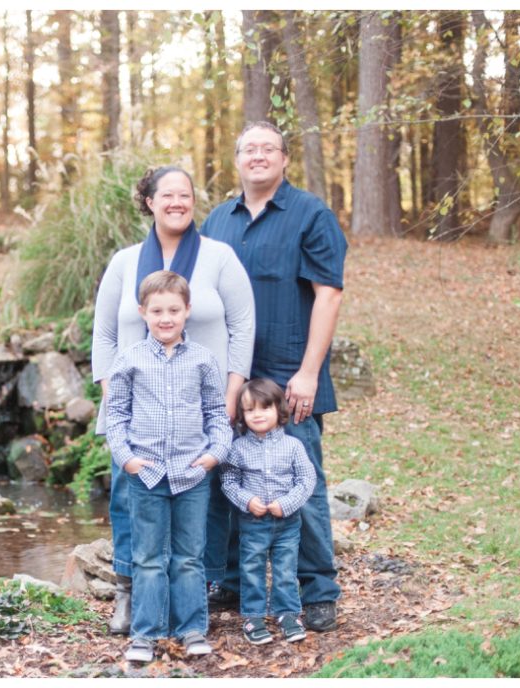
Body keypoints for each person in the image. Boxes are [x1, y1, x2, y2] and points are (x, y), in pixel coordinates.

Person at [92, 166, 255, 635]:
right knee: (129, 501)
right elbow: (104, 334)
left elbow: (244, 327)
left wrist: (231, 395)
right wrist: (112, 399)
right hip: (133, 414)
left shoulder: (219, 257)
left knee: (202, 504)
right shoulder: (124, 262)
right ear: (149, 201)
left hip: (202, 409)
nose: (177, 202)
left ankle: (194, 599)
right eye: (168, 195)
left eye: (185, 195)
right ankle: (130, 594)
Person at [201, 120, 347, 632]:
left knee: (300, 483)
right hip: (230, 381)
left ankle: (318, 589)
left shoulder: (311, 215)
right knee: (231, 479)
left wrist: (308, 373)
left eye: (269, 148)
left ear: (285, 159)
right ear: (237, 160)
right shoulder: (217, 221)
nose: (258, 156)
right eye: (249, 149)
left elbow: (328, 294)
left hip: (288, 379)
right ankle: (234, 583)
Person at [104, 271, 233, 662]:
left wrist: (215, 454)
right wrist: (127, 459)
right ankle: (145, 633)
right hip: (146, 473)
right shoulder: (130, 360)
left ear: (187, 311)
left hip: (192, 472)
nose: (165, 318)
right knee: (147, 556)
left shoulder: (203, 360)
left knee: (190, 555)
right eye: (157, 310)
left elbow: (216, 412)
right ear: (142, 312)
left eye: (173, 310)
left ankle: (192, 628)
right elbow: (115, 415)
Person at [222, 378, 315, 645]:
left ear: (278, 410)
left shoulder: (293, 447)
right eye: (250, 410)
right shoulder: (237, 448)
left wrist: (286, 503)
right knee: (252, 567)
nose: (258, 414)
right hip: (253, 522)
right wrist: (247, 500)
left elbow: (306, 480)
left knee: (285, 568)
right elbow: (229, 482)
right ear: (242, 415)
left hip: (287, 523)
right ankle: (253, 616)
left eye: (265, 408)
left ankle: (287, 614)